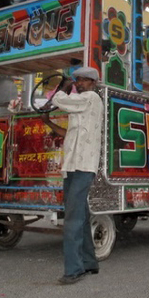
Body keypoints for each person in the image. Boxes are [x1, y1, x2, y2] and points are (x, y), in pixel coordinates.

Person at [41, 67, 103, 284]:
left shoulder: (91, 98)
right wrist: (48, 122)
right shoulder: (82, 106)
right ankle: (88, 262)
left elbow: (62, 100)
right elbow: (69, 134)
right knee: (81, 216)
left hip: (83, 166)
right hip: (73, 166)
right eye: (77, 80)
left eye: (83, 80)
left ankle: (74, 269)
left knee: (72, 219)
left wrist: (63, 88)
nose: (79, 83)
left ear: (93, 83)